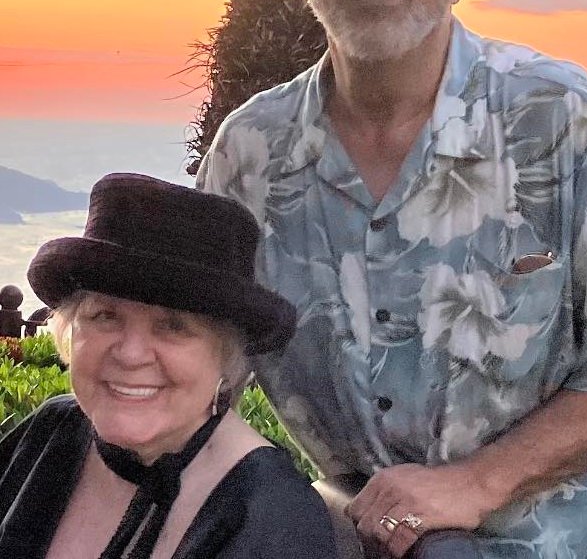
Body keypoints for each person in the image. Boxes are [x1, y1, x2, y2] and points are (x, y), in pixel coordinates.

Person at [196, 0, 587, 559]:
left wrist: (478, 482)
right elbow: (194, 367)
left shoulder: (559, 119)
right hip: (350, 541)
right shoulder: (248, 156)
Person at [0, 173, 338, 559]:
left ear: (227, 356)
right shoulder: (51, 431)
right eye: (105, 315)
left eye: (173, 326)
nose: (131, 354)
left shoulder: (273, 518)